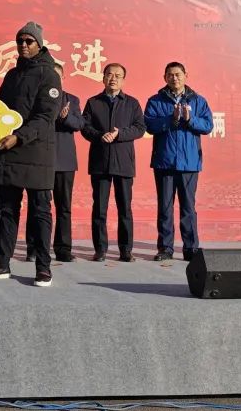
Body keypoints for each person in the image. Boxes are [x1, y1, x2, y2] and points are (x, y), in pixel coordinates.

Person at [0, 22, 62, 287]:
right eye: (20, 41)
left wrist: (19, 136)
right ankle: (1, 263)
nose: (23, 45)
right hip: (9, 152)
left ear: (39, 44)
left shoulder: (49, 75)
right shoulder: (13, 75)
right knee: (7, 210)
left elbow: (46, 116)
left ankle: (43, 268)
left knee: (40, 212)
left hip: (37, 153)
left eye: (29, 41)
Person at [143, 61, 213, 262]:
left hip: (189, 163)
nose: (174, 78)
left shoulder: (198, 101)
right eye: (170, 75)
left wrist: (190, 120)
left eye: (178, 74)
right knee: (165, 207)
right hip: (164, 162)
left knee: (188, 208)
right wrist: (171, 120)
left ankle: (190, 248)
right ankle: (165, 248)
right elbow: (149, 125)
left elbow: (207, 125)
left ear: (185, 76)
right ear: (164, 77)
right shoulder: (155, 101)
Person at [81, 63, 146, 262]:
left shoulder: (132, 103)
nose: (113, 79)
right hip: (100, 162)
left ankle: (126, 250)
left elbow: (140, 128)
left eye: (118, 76)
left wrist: (120, 134)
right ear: (103, 78)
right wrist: (99, 135)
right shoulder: (93, 102)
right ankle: (100, 249)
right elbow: (85, 126)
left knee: (124, 208)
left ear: (123, 80)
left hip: (123, 162)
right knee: (99, 208)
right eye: (109, 74)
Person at [51, 63, 83, 262]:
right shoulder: (37, 97)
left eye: (58, 76)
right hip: (41, 160)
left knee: (64, 207)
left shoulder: (72, 100)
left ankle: (63, 249)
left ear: (63, 78)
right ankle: (34, 248)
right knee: (39, 206)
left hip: (65, 161)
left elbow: (79, 124)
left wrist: (65, 118)